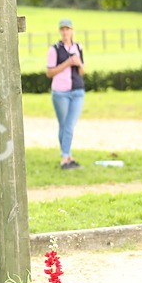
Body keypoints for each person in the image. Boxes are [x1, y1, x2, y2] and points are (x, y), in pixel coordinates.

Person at [45, 19, 85, 170]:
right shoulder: (54, 49)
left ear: (72, 31)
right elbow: (49, 72)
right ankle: (67, 157)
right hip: (60, 92)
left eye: (67, 29)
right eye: (62, 29)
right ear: (60, 31)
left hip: (77, 91)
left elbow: (82, 71)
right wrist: (67, 63)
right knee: (64, 125)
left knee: (69, 125)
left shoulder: (78, 47)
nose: (65, 32)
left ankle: (66, 157)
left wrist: (78, 63)